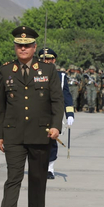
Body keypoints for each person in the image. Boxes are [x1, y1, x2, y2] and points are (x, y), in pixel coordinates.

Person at [0, 26, 64, 207]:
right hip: (13, 132)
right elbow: (1, 106)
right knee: (13, 176)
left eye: (27, 46)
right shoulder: (6, 70)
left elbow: (57, 101)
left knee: (37, 177)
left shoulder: (48, 70)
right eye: (19, 45)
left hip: (40, 133)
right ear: (15, 47)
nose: (23, 49)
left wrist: (56, 125)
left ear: (34, 47)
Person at [37, 47, 75, 180]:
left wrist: (70, 114)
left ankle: (49, 167)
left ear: (54, 60)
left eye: (49, 59)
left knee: (52, 141)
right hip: (37, 113)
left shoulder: (61, 77)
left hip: (54, 113)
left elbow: (67, 96)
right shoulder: (33, 73)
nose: (46, 61)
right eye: (43, 59)